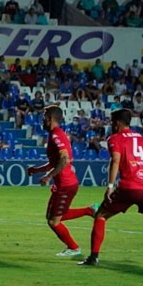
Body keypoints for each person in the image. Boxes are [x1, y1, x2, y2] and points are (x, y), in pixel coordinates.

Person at [79, 109, 143, 266]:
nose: (112, 124)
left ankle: (93, 257)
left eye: (113, 122)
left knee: (101, 215)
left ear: (118, 123)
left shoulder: (115, 138)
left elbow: (115, 159)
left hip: (129, 187)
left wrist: (110, 186)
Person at [26, 106, 96, 257]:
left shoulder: (56, 135)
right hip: (62, 184)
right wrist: (36, 170)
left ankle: (74, 248)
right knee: (53, 216)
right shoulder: (54, 135)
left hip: (66, 184)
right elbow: (55, 162)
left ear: (51, 119)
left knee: (54, 221)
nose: (42, 120)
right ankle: (89, 210)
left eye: (45, 116)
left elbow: (64, 159)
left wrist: (48, 176)